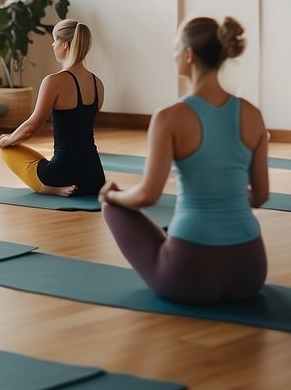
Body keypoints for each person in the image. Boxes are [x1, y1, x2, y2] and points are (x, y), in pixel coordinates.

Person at [99, 17, 269, 304]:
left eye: (176, 48)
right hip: (250, 271)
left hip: (192, 272)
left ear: (189, 55)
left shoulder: (169, 117)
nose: (174, 55)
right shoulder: (253, 115)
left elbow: (148, 195)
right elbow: (261, 196)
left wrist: (114, 196)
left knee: (111, 207)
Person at [0, 18, 107, 196]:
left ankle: (49, 189)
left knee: (7, 151)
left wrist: (7, 140)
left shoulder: (53, 81)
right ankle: (55, 185)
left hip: (62, 175)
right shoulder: (98, 84)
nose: (52, 44)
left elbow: (32, 127)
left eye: (54, 40)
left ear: (64, 45)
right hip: (94, 176)